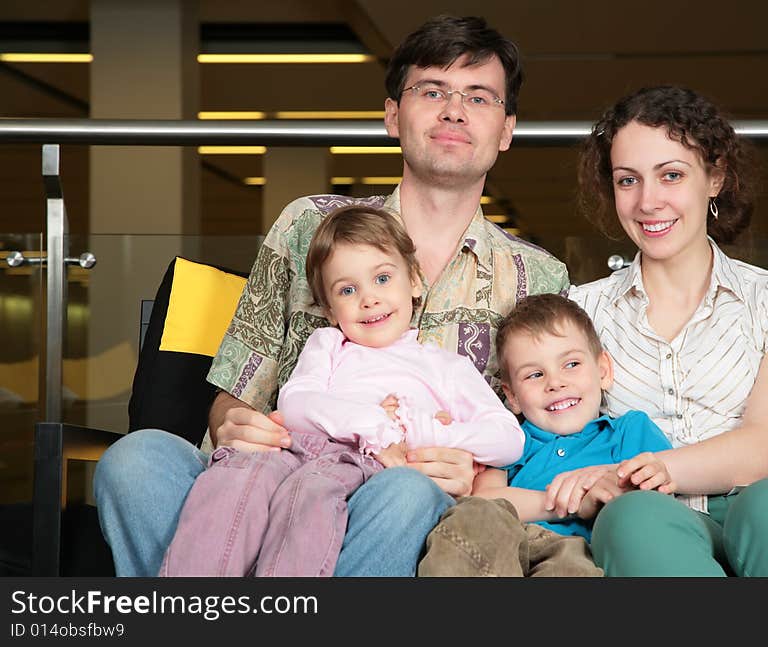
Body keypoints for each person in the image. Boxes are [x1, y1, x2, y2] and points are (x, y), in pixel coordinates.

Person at [93, 15, 569, 577]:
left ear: (506, 129)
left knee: (405, 496)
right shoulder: (309, 226)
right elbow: (235, 396)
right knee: (135, 459)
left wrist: (479, 476)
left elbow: (538, 439)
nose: (453, 109)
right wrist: (233, 422)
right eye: (431, 90)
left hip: (409, 510)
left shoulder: (538, 275)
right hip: (274, 481)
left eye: (479, 97)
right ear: (393, 115)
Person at [565, 85, 768, 576]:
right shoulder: (581, 311)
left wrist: (658, 468)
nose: (649, 201)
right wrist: (593, 487)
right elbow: (566, 439)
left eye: (671, 175)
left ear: (714, 177)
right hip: (663, 524)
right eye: (628, 180)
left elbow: (766, 448)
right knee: (630, 516)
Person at [160, 206, 524, 576]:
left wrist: (427, 431)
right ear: (331, 310)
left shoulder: (446, 367)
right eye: (348, 290)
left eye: (382, 278)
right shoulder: (328, 345)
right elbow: (296, 404)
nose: (369, 299)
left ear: (414, 281)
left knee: (309, 496)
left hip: (360, 467)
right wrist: (376, 425)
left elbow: (508, 438)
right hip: (294, 449)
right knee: (235, 477)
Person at [418, 293, 672, 576]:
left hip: (579, 552)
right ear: (512, 396)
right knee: (472, 518)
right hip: (504, 547)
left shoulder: (629, 431)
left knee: (571, 566)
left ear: (603, 370)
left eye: (571, 364)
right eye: (535, 375)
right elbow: (484, 501)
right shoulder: (509, 439)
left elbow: (658, 503)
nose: (555, 383)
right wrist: (572, 503)